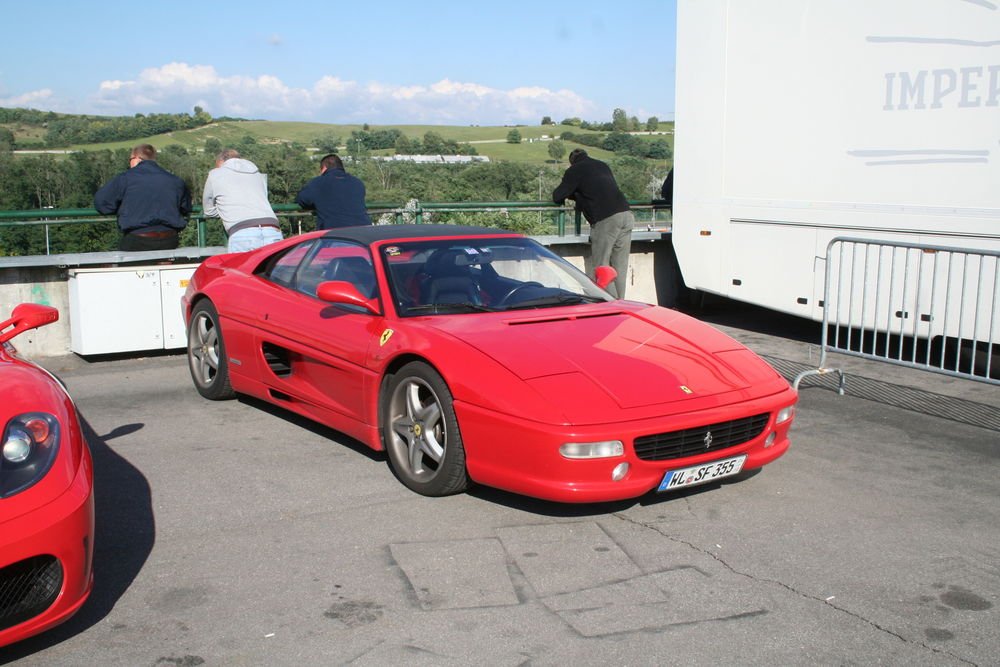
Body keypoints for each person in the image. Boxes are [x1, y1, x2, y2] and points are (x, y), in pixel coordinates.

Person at [552, 148, 634, 298]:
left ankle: (610, 303)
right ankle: (621, 303)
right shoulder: (602, 165)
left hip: (606, 219)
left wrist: (574, 193)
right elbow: (598, 189)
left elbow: (558, 196)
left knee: (601, 265)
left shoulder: (575, 170)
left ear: (572, 161)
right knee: (619, 266)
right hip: (626, 215)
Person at [94, 144, 192, 251]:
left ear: (136, 158)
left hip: (138, 239)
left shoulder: (125, 178)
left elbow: (101, 204)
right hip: (170, 239)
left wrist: (121, 208)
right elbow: (186, 207)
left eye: (130, 159)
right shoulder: (175, 180)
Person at [202, 148, 283, 252]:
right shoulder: (258, 174)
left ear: (222, 162)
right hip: (273, 230)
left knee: (241, 268)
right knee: (271, 268)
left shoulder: (215, 174)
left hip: (241, 233)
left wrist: (226, 211)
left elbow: (208, 210)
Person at [295, 153, 371, 229]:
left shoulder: (318, 182)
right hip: (364, 232)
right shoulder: (358, 183)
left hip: (334, 234)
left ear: (324, 168)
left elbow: (302, 199)